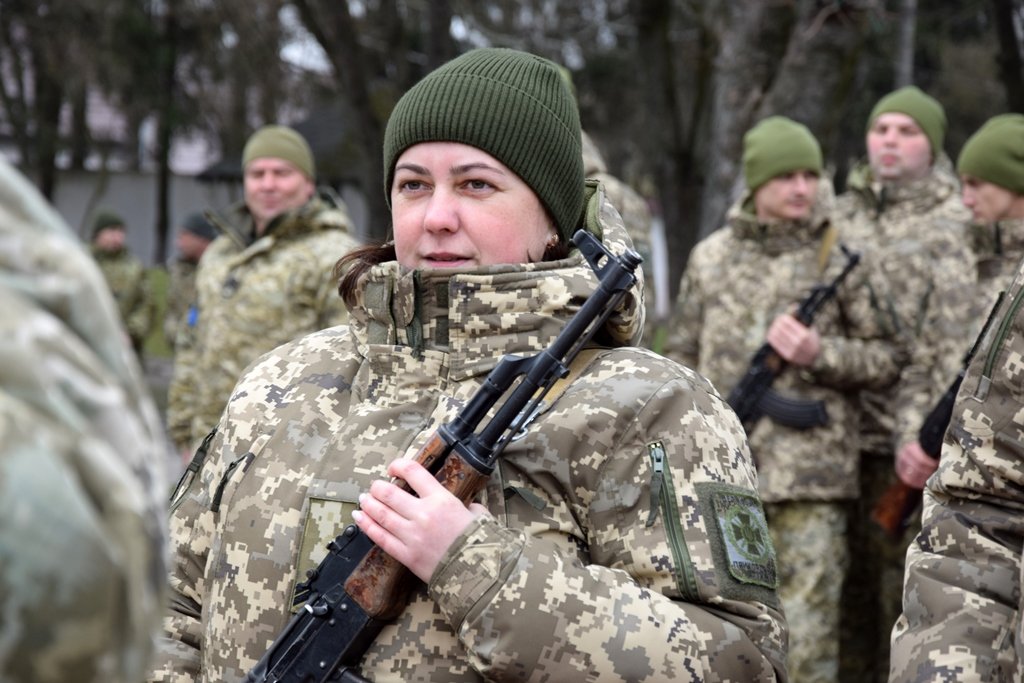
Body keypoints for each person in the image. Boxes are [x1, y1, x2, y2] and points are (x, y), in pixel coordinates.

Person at [149, 48, 787, 682]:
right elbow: (168, 608)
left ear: (553, 218)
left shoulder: (648, 407)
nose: (436, 217)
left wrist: (477, 566)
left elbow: (744, 662)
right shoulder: (278, 382)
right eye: (413, 185)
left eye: (476, 184)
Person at [665, 115, 900, 682]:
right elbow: (680, 358)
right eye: (787, 176)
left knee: (809, 640)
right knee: (727, 635)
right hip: (723, 480)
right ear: (756, 181)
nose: (802, 188)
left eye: (810, 175)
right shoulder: (712, 257)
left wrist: (820, 353)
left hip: (811, 483)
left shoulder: (838, 259)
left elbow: (888, 358)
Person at [0, 155, 167, 681]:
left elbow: (142, 308)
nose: (114, 238)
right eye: (108, 231)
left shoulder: (90, 273)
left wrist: (129, 334)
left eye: (119, 232)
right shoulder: (65, 265)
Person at [834, 86, 976, 683]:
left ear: (932, 145)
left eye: (907, 131)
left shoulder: (960, 220)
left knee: (904, 597)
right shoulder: (840, 214)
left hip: (914, 446)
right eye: (881, 128)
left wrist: (923, 437)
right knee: (844, 602)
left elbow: (947, 341)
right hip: (837, 442)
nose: (890, 140)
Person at [888, 112, 1024, 683]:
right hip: (938, 475)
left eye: (977, 184)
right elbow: (919, 361)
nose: (964, 198)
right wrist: (910, 438)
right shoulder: (954, 263)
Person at [165, 124, 360, 458]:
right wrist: (183, 428)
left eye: (282, 173)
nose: (268, 184)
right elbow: (191, 338)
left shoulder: (336, 256)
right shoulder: (221, 253)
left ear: (308, 183)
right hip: (207, 442)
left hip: (284, 453)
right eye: (257, 174)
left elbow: (353, 363)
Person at [89, 208, 154, 352]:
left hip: (125, 344)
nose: (117, 237)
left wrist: (132, 332)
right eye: (111, 231)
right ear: (98, 234)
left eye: (120, 232)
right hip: (88, 342)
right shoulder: (84, 261)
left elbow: (146, 304)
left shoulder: (134, 267)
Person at [163, 211, 216, 348]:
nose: (178, 243)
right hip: (185, 351)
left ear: (201, 239)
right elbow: (172, 311)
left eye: (183, 236)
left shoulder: (220, 271)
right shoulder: (180, 271)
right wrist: (175, 333)